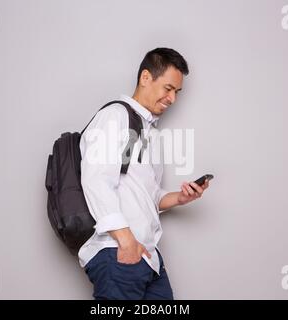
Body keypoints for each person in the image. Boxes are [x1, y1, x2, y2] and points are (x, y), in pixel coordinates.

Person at [78, 48, 210, 300]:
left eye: (177, 92)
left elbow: (147, 195)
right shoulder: (115, 117)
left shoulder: (148, 132)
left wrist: (180, 198)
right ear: (146, 78)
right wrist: (126, 241)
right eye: (168, 88)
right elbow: (96, 179)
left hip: (148, 257)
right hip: (118, 252)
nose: (172, 99)